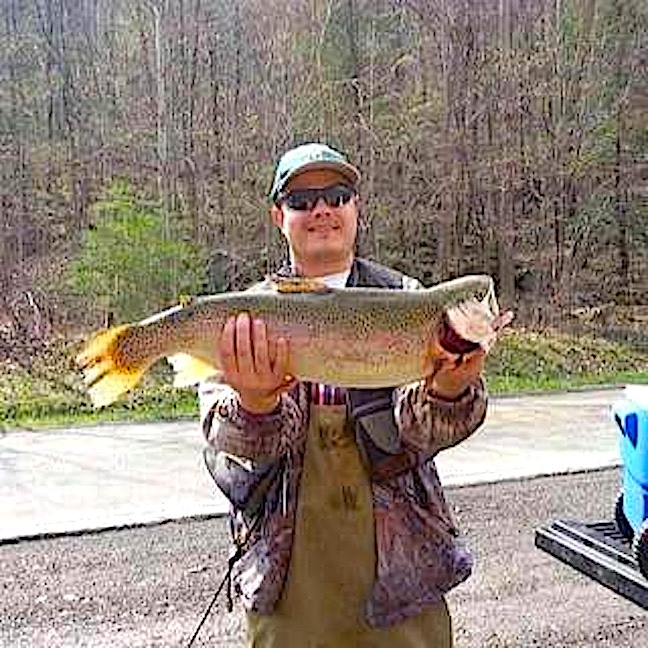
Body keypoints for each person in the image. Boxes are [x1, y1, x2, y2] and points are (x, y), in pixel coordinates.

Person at [199, 143, 504, 647]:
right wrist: (255, 405)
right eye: (301, 200)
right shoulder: (246, 316)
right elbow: (224, 444)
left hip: (403, 577)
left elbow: (423, 434)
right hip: (288, 582)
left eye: (337, 195)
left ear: (356, 207)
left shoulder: (408, 299)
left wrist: (450, 389)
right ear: (279, 216)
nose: (321, 209)